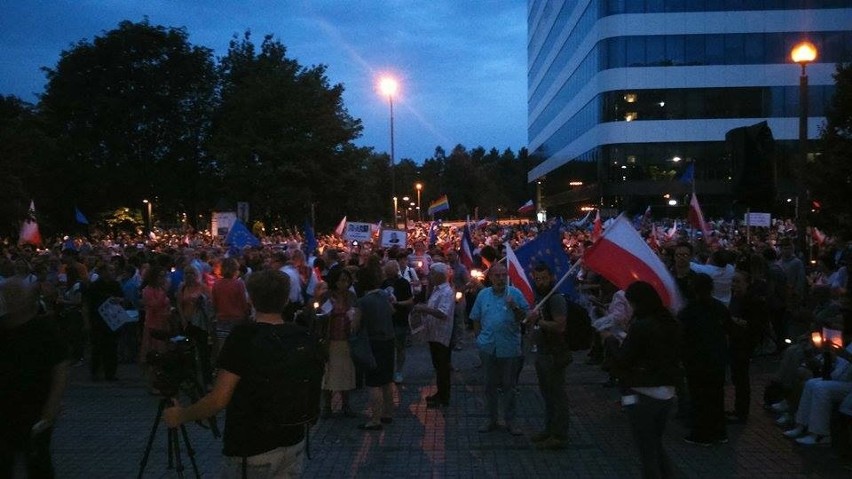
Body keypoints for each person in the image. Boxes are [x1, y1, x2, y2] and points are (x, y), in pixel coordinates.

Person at [164, 269, 324, 478]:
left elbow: (219, 399)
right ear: (285, 300)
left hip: (253, 447)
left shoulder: (244, 337)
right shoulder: (301, 336)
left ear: (250, 299)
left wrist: (181, 415)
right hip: (293, 441)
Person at [604, 281, 682, 479]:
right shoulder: (669, 321)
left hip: (640, 392)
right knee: (654, 442)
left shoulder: (642, 326)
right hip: (667, 391)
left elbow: (624, 358)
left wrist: (610, 340)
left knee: (646, 448)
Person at [0, 277, 71, 478]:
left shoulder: (43, 329)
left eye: (14, 295)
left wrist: (52, 405)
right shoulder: (3, 328)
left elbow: (60, 366)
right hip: (5, 409)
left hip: (35, 409)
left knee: (37, 461)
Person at [470, 262, 529, 436]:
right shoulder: (483, 295)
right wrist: (479, 339)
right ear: (491, 277)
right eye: (497, 275)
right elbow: (475, 318)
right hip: (488, 347)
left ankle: (511, 421)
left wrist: (515, 307)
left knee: (509, 386)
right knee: (489, 386)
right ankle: (491, 419)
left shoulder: (515, 294)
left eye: (504, 275)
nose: (501, 279)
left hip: (509, 348)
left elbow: (525, 318)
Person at [524, 263, 571, 450]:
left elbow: (560, 326)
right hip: (543, 351)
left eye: (543, 278)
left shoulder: (555, 299)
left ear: (551, 277)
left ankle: (559, 435)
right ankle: (549, 429)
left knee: (557, 395)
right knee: (548, 395)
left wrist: (538, 321)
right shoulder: (541, 297)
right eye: (537, 278)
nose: (540, 282)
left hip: (554, 353)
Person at [678, 273, 729, 445]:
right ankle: (719, 431)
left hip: (697, 359)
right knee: (716, 395)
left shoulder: (689, 311)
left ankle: (702, 433)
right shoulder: (719, 307)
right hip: (717, 357)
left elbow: (682, 334)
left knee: (699, 397)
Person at [355, 257, 396, 431]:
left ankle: (375, 419)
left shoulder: (363, 302)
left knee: (374, 383)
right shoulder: (383, 295)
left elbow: (355, 325)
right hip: (389, 340)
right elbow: (392, 311)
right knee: (387, 380)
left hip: (373, 343)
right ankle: (388, 413)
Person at [412, 262, 455, 408]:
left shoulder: (446, 292)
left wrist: (425, 309)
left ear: (440, 275)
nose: (429, 276)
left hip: (441, 336)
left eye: (432, 273)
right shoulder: (437, 290)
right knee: (438, 366)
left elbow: (443, 313)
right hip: (434, 334)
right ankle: (440, 393)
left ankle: (444, 396)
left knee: (442, 367)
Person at [319, 267, 358, 418]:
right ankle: (327, 406)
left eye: (347, 280)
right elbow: (320, 316)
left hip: (346, 339)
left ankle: (345, 404)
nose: (345, 283)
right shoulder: (327, 296)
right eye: (342, 280)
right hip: (330, 340)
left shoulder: (351, 296)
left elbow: (356, 312)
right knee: (328, 374)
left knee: (345, 372)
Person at [85, 262, 124, 381]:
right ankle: (95, 372)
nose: (112, 273)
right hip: (97, 320)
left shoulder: (116, 285)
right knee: (97, 347)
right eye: (110, 270)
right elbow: (87, 304)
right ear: (103, 272)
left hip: (112, 320)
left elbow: (122, 298)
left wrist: (119, 300)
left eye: (113, 270)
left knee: (112, 348)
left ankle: (110, 373)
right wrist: (87, 322)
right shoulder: (94, 286)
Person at [177, 266, 214, 387]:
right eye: (187, 273)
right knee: (189, 352)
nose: (189, 276)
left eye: (191, 273)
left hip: (200, 323)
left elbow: (210, 302)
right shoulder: (182, 287)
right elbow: (179, 304)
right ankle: (191, 379)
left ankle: (207, 380)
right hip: (188, 322)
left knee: (204, 353)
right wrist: (183, 320)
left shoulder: (203, 287)